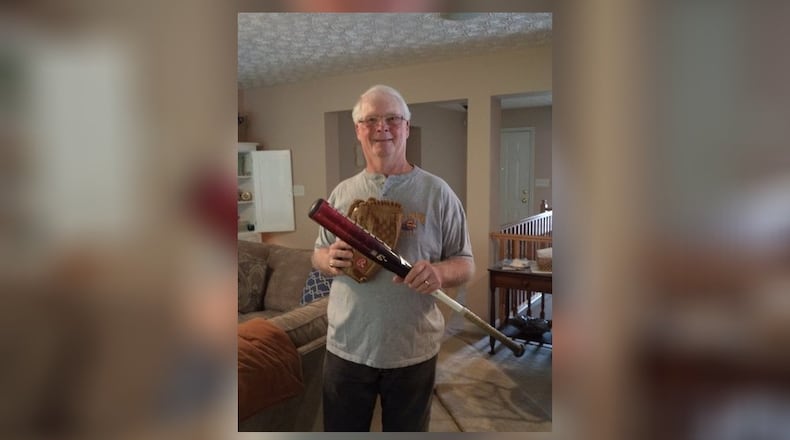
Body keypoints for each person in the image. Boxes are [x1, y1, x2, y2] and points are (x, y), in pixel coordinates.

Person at [312, 84, 475, 432]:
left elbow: (465, 263)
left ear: (407, 126)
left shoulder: (438, 193)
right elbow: (318, 254)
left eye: (392, 119)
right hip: (347, 347)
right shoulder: (342, 193)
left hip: (412, 349)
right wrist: (328, 259)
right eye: (370, 120)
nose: (381, 127)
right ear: (358, 130)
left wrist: (439, 273)